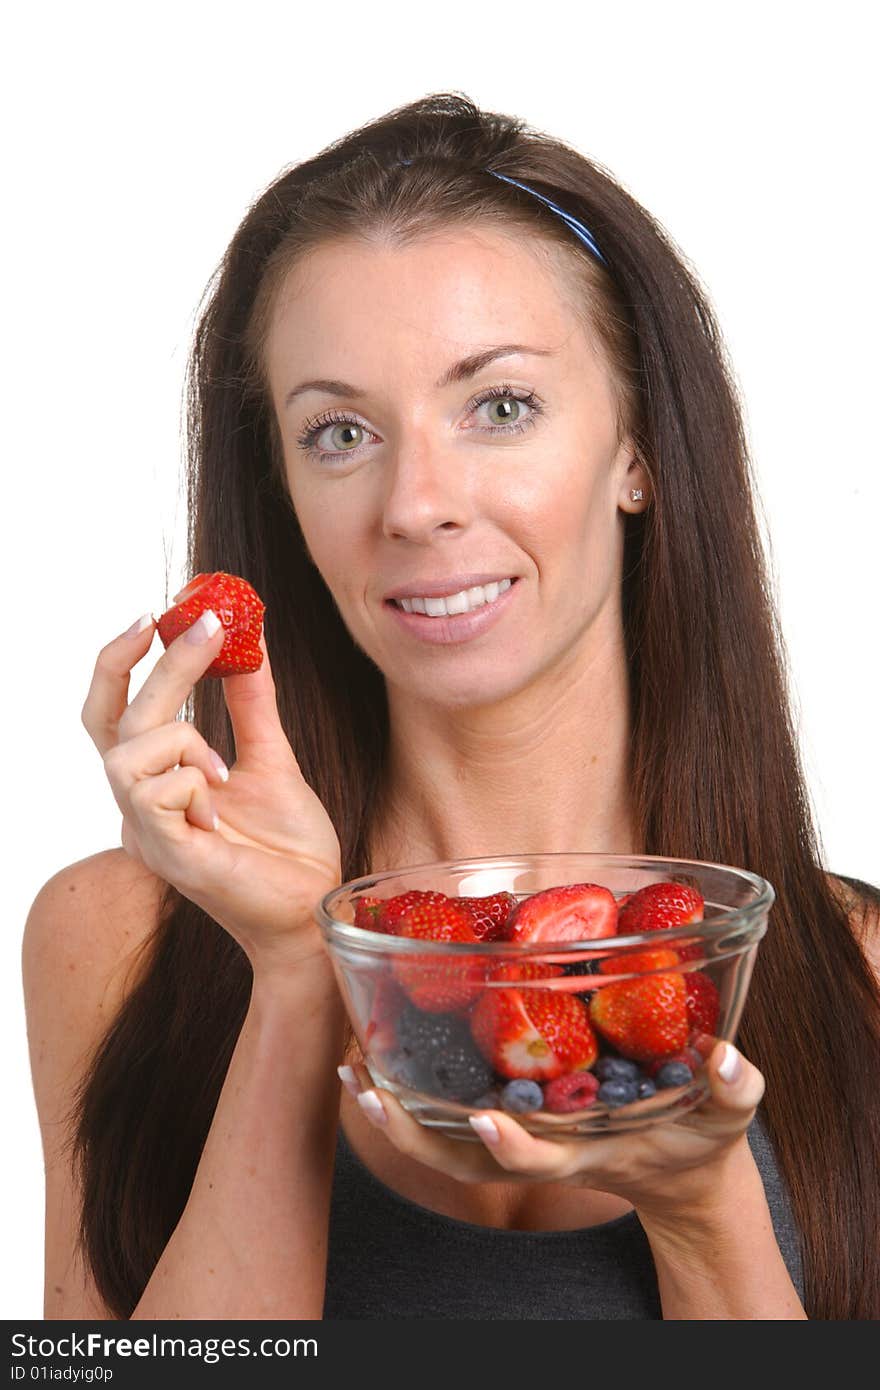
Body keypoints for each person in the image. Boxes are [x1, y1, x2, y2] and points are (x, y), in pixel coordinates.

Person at [22, 92, 880, 1322]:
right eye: (340, 431)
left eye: (500, 406)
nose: (415, 503)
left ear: (636, 446)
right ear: (283, 488)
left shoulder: (857, 978)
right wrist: (291, 967)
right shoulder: (113, 941)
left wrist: (705, 1213)